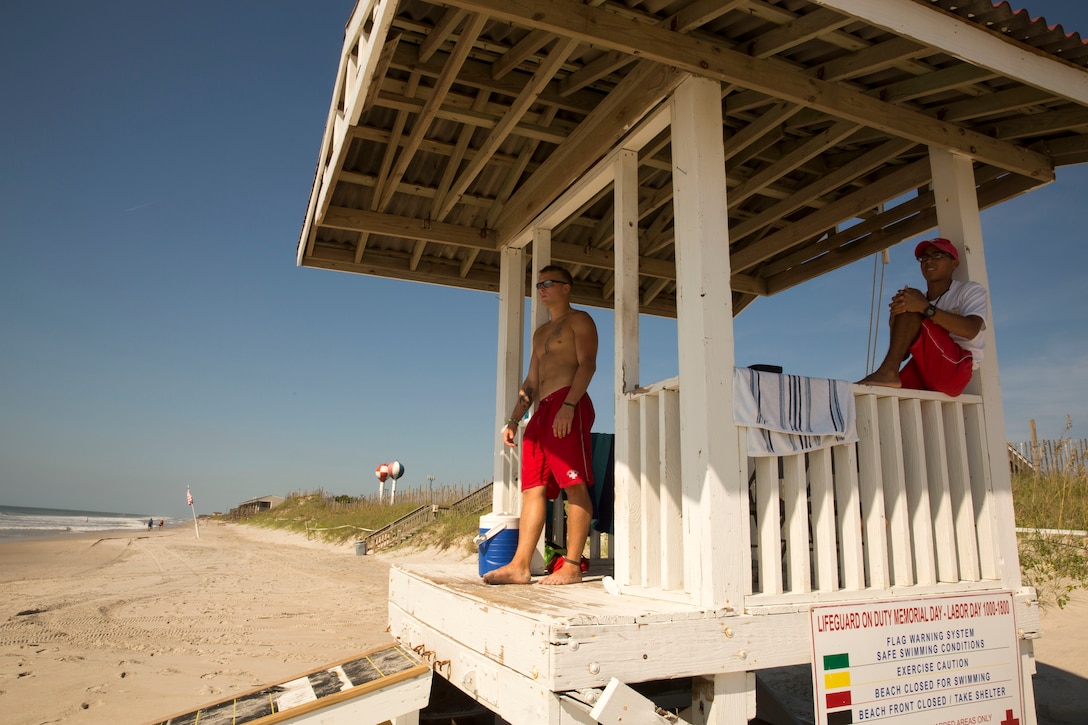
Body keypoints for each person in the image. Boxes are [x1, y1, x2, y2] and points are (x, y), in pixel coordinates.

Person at [484, 265, 598, 585]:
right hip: (541, 412)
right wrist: (513, 418)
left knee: (574, 484)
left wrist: (569, 405)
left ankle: (573, 565)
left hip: (567, 403)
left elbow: (587, 364)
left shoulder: (580, 320)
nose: (542, 289)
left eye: (549, 283)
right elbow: (531, 381)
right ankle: (520, 565)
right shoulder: (540, 334)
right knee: (532, 489)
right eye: (538, 285)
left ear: (566, 288)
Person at [858, 237, 988, 397]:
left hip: (955, 368)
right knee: (878, 394)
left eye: (937, 255)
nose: (929, 261)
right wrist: (894, 321)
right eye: (924, 258)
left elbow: (971, 330)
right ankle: (887, 374)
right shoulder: (919, 301)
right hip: (926, 368)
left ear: (954, 263)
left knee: (912, 304)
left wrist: (924, 308)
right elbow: (903, 355)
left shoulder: (969, 290)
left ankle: (887, 373)